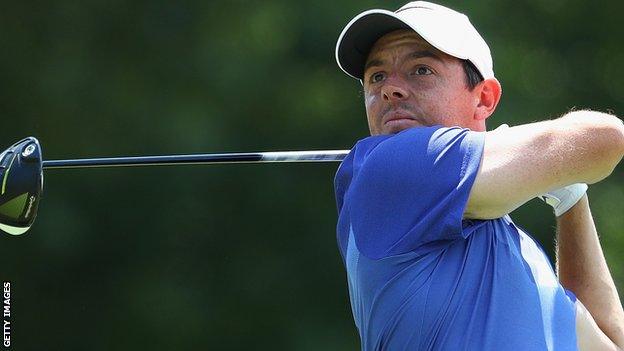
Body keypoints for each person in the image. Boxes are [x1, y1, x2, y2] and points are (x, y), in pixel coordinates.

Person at [333, 2, 624, 350]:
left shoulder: (518, 251)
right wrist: (540, 157)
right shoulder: (389, 168)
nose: (389, 89)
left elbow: (610, 343)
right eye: (376, 76)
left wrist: (570, 198)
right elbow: (607, 137)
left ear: (484, 98)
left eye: (421, 70)